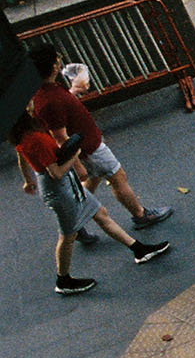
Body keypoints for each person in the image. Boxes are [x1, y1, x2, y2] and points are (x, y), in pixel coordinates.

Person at [12, 112, 171, 295]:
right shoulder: (36, 138)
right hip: (60, 189)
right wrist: (75, 155)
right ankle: (63, 280)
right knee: (68, 236)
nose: (31, 104)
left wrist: (28, 179)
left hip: (61, 186)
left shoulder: (21, 137)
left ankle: (139, 249)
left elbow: (21, 156)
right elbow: (55, 173)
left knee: (100, 213)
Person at [29, 45, 172, 245]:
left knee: (94, 179)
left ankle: (78, 223)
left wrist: (72, 92)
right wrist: (78, 165)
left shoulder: (43, 91)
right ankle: (141, 215)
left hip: (86, 145)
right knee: (117, 176)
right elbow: (60, 136)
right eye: (58, 60)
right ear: (53, 66)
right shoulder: (50, 100)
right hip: (89, 148)